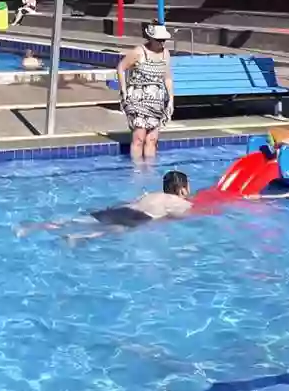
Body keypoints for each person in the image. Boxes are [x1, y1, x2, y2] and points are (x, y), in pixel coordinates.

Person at [17, 171, 192, 241]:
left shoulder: (152, 194)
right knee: (117, 230)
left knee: (77, 220)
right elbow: (179, 217)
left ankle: (33, 226)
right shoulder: (179, 202)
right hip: (140, 217)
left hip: (122, 210)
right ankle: (77, 237)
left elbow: (129, 203)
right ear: (183, 189)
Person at [117, 21, 174, 160]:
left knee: (152, 139)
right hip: (138, 99)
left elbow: (167, 78)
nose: (162, 43)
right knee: (139, 138)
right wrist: (124, 90)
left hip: (156, 100)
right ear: (151, 38)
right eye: (159, 40)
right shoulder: (138, 52)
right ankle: (136, 172)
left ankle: (149, 171)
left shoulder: (165, 54)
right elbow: (121, 67)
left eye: (164, 40)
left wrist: (171, 100)